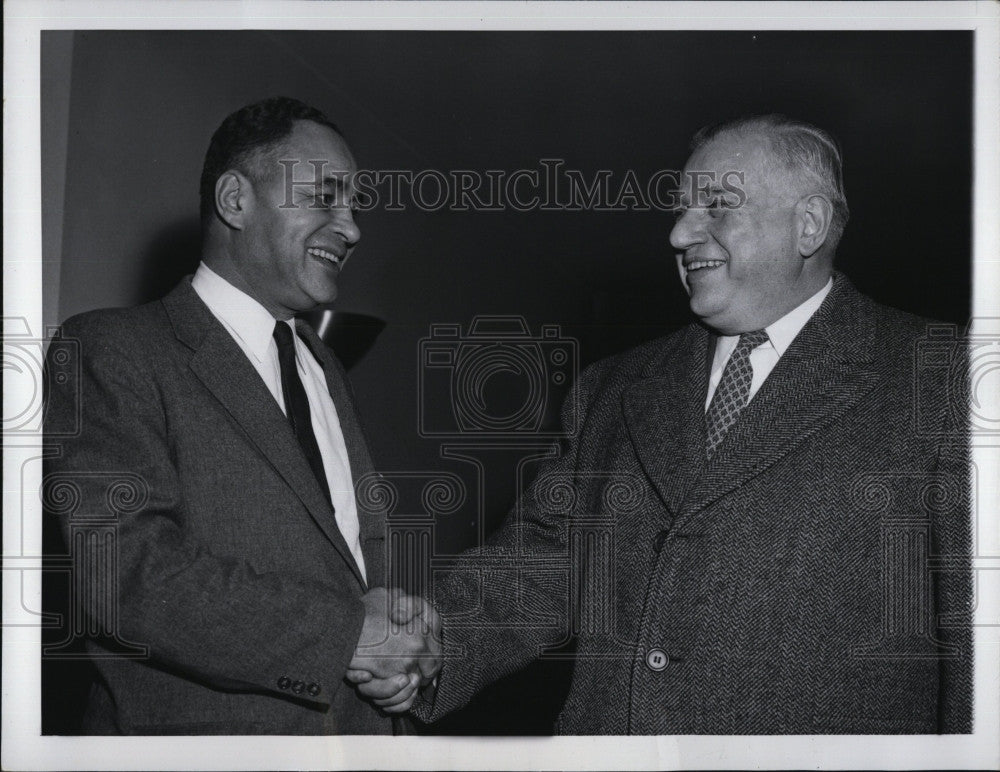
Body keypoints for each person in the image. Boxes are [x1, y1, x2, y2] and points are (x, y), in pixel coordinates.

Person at [348, 114, 973, 733]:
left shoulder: (942, 376)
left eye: (716, 205)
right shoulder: (611, 387)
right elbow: (543, 565)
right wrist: (429, 639)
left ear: (806, 225)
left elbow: (976, 641)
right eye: (680, 210)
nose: (678, 234)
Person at [43, 97, 439, 735]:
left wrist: (406, 639)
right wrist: (348, 637)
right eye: (326, 196)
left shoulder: (324, 368)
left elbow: (353, 561)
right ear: (235, 200)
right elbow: (122, 572)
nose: (353, 226)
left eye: (355, 205)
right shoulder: (110, 348)